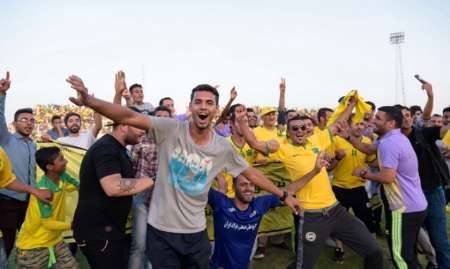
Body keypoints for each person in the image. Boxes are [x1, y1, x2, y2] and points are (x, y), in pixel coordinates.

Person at [66, 74, 300, 269]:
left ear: (216, 109)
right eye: (198, 101)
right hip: (161, 231)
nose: (203, 106)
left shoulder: (222, 148)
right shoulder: (170, 129)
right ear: (190, 107)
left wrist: (283, 195)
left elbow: (251, 173)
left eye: (209, 103)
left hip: (195, 233)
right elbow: (128, 116)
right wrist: (89, 100)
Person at [280, 98, 382, 269]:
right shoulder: (284, 150)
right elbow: (255, 144)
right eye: (295, 129)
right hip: (311, 216)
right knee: (303, 265)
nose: (300, 131)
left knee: (374, 251)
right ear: (288, 133)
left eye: (303, 127)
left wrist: (350, 104)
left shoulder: (317, 141)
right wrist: (241, 122)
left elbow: (339, 123)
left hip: (336, 210)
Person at [209, 154, 328, 269]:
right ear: (234, 188)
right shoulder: (221, 203)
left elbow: (289, 190)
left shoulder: (259, 205)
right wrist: (218, 175)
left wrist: (315, 171)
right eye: (243, 185)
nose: (248, 188)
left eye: (251, 185)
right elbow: (197, 187)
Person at [71, 106, 154, 269]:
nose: (143, 132)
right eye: (139, 127)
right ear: (123, 125)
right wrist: (153, 180)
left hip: (109, 230)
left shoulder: (117, 147)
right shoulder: (106, 148)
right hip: (99, 233)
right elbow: (114, 186)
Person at [351, 106, 428, 269]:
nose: (372, 121)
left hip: (404, 209)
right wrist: (346, 136)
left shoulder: (389, 144)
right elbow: (366, 148)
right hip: (415, 205)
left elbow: (387, 177)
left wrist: (363, 174)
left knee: (400, 257)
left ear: (391, 123)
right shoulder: (392, 138)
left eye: (378, 118)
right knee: (409, 254)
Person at [390, 80, 450, 269]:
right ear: (394, 121)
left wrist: (430, 96)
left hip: (431, 192)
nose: (407, 118)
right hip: (407, 197)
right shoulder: (390, 140)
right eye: (402, 116)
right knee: (411, 242)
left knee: (440, 240)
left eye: (409, 115)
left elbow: (431, 121)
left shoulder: (423, 133)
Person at [15, 147, 79, 269]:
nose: (66, 161)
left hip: (55, 240)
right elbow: (48, 224)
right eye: (61, 159)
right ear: (50, 167)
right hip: (33, 245)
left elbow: (72, 185)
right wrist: (73, 225)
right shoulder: (44, 192)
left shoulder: (62, 177)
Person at [0, 71, 40, 258]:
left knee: (30, 245)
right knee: (6, 246)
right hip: (6, 202)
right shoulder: (6, 139)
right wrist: (2, 95)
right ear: (14, 123)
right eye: (24, 120)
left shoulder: (33, 144)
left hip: (28, 203)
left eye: (32, 120)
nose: (29, 123)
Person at [328, 115, 377, 263]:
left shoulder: (367, 142)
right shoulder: (337, 140)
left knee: (368, 219)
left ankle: (372, 249)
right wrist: (337, 158)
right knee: (337, 221)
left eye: (362, 124)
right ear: (348, 126)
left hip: (358, 188)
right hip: (339, 187)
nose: (359, 127)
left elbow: (372, 161)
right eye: (356, 124)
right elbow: (328, 167)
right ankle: (339, 248)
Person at [0, 146, 52, 269]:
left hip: (26, 203)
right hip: (8, 204)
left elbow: (6, 180)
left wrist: (35, 191)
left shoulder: (1, 153)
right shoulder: (8, 141)